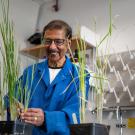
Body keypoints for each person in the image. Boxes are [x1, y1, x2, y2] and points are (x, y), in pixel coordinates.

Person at [19, 20, 90, 135]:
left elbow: (75, 114)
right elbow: (12, 100)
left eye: (58, 42)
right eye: (48, 41)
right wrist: (16, 108)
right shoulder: (30, 72)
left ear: (68, 43)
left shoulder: (80, 76)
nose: (52, 47)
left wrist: (46, 119)